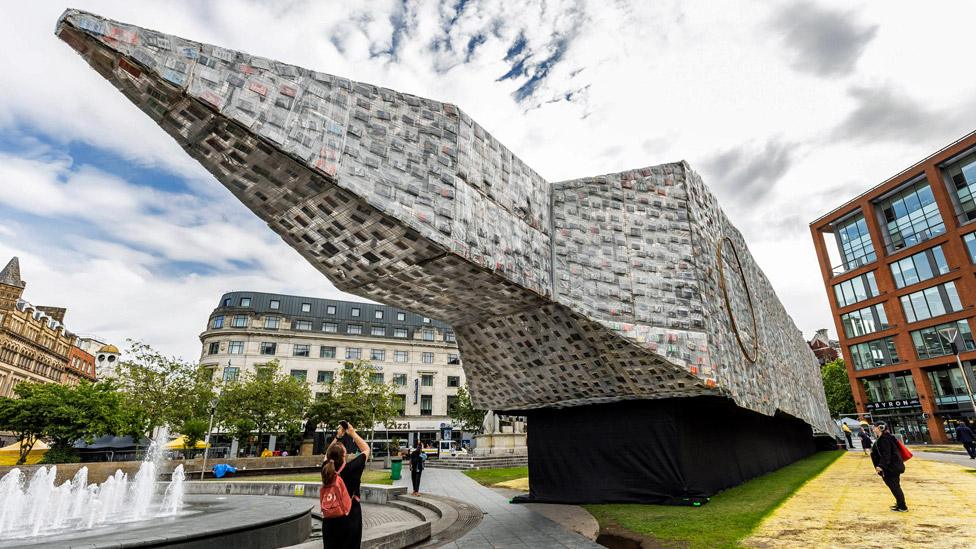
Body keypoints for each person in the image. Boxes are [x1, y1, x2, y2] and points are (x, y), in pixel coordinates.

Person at [321, 421, 370, 548]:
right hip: (350, 517)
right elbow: (366, 449)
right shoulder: (352, 468)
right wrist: (352, 433)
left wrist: (338, 437)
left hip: (330, 519)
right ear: (344, 456)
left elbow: (327, 455)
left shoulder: (326, 470)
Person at [870, 422, 907, 512]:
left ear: (880, 428)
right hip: (892, 467)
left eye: (874, 427)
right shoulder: (885, 438)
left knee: (894, 487)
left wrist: (881, 466)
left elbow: (886, 455)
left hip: (890, 468)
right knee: (895, 486)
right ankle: (900, 504)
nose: (873, 428)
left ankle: (902, 507)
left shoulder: (884, 439)